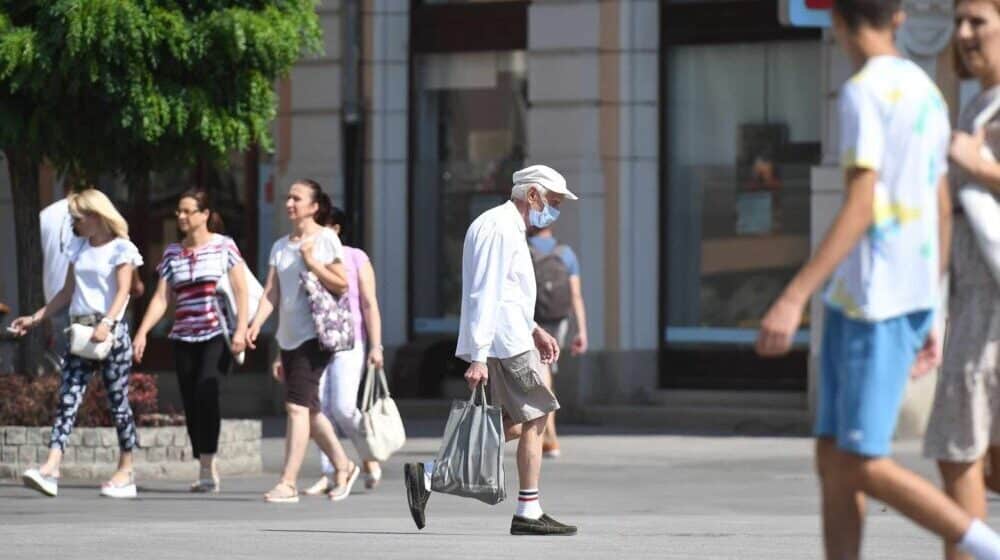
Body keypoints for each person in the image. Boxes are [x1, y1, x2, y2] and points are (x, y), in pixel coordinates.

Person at [755, 1, 1000, 558]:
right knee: (832, 458)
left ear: (838, 23)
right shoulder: (928, 91)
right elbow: (940, 206)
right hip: (876, 298)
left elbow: (861, 205)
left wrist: (793, 297)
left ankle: (985, 545)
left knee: (860, 461)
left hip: (874, 302)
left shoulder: (863, 92)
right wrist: (933, 302)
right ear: (898, 19)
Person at [403, 164, 579, 536]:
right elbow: (485, 292)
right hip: (504, 342)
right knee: (537, 415)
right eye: (553, 201)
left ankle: (432, 475)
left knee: (516, 422)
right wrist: (479, 356)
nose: (554, 210)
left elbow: (507, 291)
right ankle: (528, 510)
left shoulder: (504, 226)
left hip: (510, 336)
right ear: (532, 195)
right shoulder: (499, 229)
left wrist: (534, 329)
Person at [923, 1, 1000, 558]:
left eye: (978, 20)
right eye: (959, 21)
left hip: (991, 309)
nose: (964, 33)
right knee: (976, 460)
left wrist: (981, 166)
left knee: (959, 455)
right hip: (975, 300)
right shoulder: (977, 104)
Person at [12, 188, 143, 499]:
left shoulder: (121, 249)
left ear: (96, 217)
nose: (74, 224)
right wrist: (36, 317)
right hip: (79, 333)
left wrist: (107, 324)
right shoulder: (78, 247)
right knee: (68, 398)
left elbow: (125, 290)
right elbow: (67, 292)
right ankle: (51, 468)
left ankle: (126, 469)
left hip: (110, 335)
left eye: (78, 218)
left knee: (118, 404)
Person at [245, 179, 359, 503]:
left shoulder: (326, 240)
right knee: (309, 410)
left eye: (297, 198)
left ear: (314, 206)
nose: (289, 203)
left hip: (316, 337)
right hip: (289, 338)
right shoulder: (280, 246)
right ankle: (344, 465)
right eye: (288, 197)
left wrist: (313, 263)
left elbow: (342, 284)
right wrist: (255, 324)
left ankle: (288, 482)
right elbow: (272, 292)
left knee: (295, 407)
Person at [132, 189, 248, 494]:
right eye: (179, 212)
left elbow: (241, 290)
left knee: (207, 392)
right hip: (183, 335)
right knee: (191, 402)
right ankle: (204, 461)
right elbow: (161, 299)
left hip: (216, 334)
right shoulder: (173, 253)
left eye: (187, 211)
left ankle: (208, 466)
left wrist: (241, 330)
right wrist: (142, 331)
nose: (181, 217)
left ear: (204, 214)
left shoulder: (225, 247)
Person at [303, 206, 387, 496]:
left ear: (336, 229)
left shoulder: (355, 257)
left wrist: (376, 346)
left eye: (321, 226)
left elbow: (369, 303)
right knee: (318, 408)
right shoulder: (307, 257)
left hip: (351, 341)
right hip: (315, 340)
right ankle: (332, 472)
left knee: (342, 406)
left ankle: (368, 455)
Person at [527, 225, 588, 458]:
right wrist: (581, 331)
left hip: (534, 321)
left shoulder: (525, 250)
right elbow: (575, 296)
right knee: (546, 371)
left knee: (542, 374)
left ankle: (548, 436)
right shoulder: (566, 253)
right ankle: (548, 435)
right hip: (558, 321)